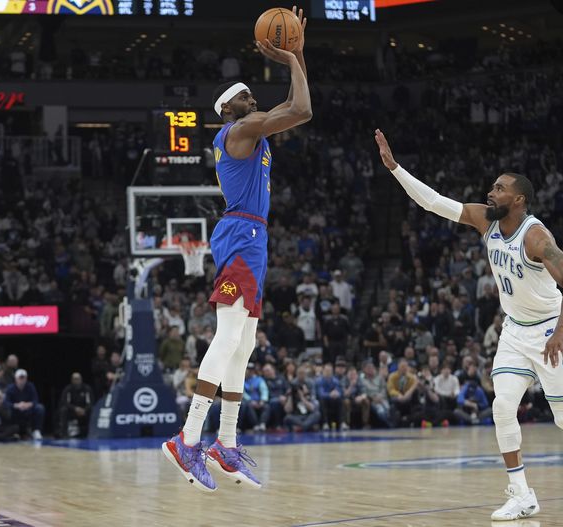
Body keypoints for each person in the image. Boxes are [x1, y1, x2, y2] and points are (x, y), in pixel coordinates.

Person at [375, 129, 563, 519]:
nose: (491, 192)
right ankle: (521, 493)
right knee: (502, 406)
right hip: (514, 330)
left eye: (499, 189)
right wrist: (395, 168)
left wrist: (562, 331)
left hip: (550, 329)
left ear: (519, 199)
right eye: (492, 187)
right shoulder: (485, 220)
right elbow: (434, 202)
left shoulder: (536, 237)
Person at [163, 6, 312, 493]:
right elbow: (302, 110)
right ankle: (187, 439)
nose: (254, 97)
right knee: (227, 338)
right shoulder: (239, 131)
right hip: (241, 234)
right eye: (246, 96)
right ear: (229, 109)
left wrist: (298, 55)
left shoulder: (254, 128)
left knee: (244, 346)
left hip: (253, 236)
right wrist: (291, 58)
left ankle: (224, 444)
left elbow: (295, 105)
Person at [3, 369, 45, 440]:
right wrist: (16, 405)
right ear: (16, 379)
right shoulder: (10, 388)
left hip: (27, 409)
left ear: (26, 378)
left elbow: (35, 400)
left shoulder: (30, 386)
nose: (22, 380)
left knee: (40, 408)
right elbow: (6, 402)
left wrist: (28, 404)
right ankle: (12, 432)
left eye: (23, 378)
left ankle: (36, 431)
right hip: (15, 410)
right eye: (20, 378)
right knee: (7, 411)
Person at [57, 372, 93, 438]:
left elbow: (90, 403)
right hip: (72, 411)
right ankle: (64, 433)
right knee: (63, 410)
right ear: (72, 380)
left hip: (84, 411)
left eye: (78, 379)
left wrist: (84, 410)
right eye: (75, 379)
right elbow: (65, 402)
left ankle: (91, 432)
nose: (77, 380)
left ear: (81, 379)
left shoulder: (87, 389)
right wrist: (75, 409)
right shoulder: (68, 389)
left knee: (92, 410)